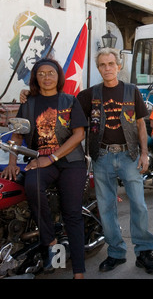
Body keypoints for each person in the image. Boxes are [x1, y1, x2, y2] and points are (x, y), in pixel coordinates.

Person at [76, 48, 153, 274]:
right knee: (106, 207)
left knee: (139, 206)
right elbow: (66, 108)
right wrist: (30, 95)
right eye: (103, 65)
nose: (107, 68)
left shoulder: (131, 91)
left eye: (111, 64)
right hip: (101, 157)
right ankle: (116, 252)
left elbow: (141, 124)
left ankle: (144, 252)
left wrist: (144, 153)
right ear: (98, 68)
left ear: (119, 66)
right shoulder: (89, 95)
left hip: (129, 155)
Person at [2, 58, 87, 279]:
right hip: (40, 160)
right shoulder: (28, 104)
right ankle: (50, 241)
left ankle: (79, 272)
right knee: (32, 184)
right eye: (41, 73)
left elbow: (79, 134)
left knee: (72, 214)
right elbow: (18, 135)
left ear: (58, 76)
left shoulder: (70, 100)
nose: (46, 77)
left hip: (71, 162)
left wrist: (52, 157)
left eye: (51, 73)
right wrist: (12, 163)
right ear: (35, 78)